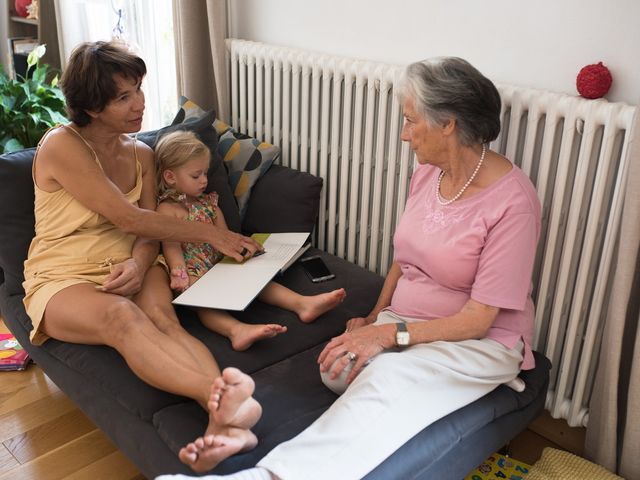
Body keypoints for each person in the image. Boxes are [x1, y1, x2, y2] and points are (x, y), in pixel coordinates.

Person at [156, 56, 542, 480]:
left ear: (447, 122)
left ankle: (272, 474)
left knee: (387, 378)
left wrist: (387, 335)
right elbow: (405, 258)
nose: (403, 135)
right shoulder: (428, 174)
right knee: (337, 369)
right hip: (408, 320)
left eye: (411, 121)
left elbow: (478, 319)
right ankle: (418, 389)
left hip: (477, 339)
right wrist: (375, 318)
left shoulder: (513, 204)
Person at [21, 40, 264, 472]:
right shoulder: (62, 145)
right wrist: (213, 235)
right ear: (92, 107)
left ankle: (223, 428)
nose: (140, 103)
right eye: (123, 96)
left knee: (165, 319)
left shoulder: (143, 153)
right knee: (123, 318)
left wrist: (138, 263)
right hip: (63, 276)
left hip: (132, 260)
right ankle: (224, 397)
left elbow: (146, 229)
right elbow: (128, 217)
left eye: (138, 88)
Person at [155, 130, 346, 351]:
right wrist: (179, 274)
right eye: (196, 176)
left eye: (206, 173)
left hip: (219, 263)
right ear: (170, 177)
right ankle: (236, 330)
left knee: (255, 278)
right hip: (193, 271)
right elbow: (171, 245)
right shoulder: (167, 210)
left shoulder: (210, 202)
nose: (204, 181)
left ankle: (302, 304)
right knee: (203, 304)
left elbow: (226, 237)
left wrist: (244, 251)